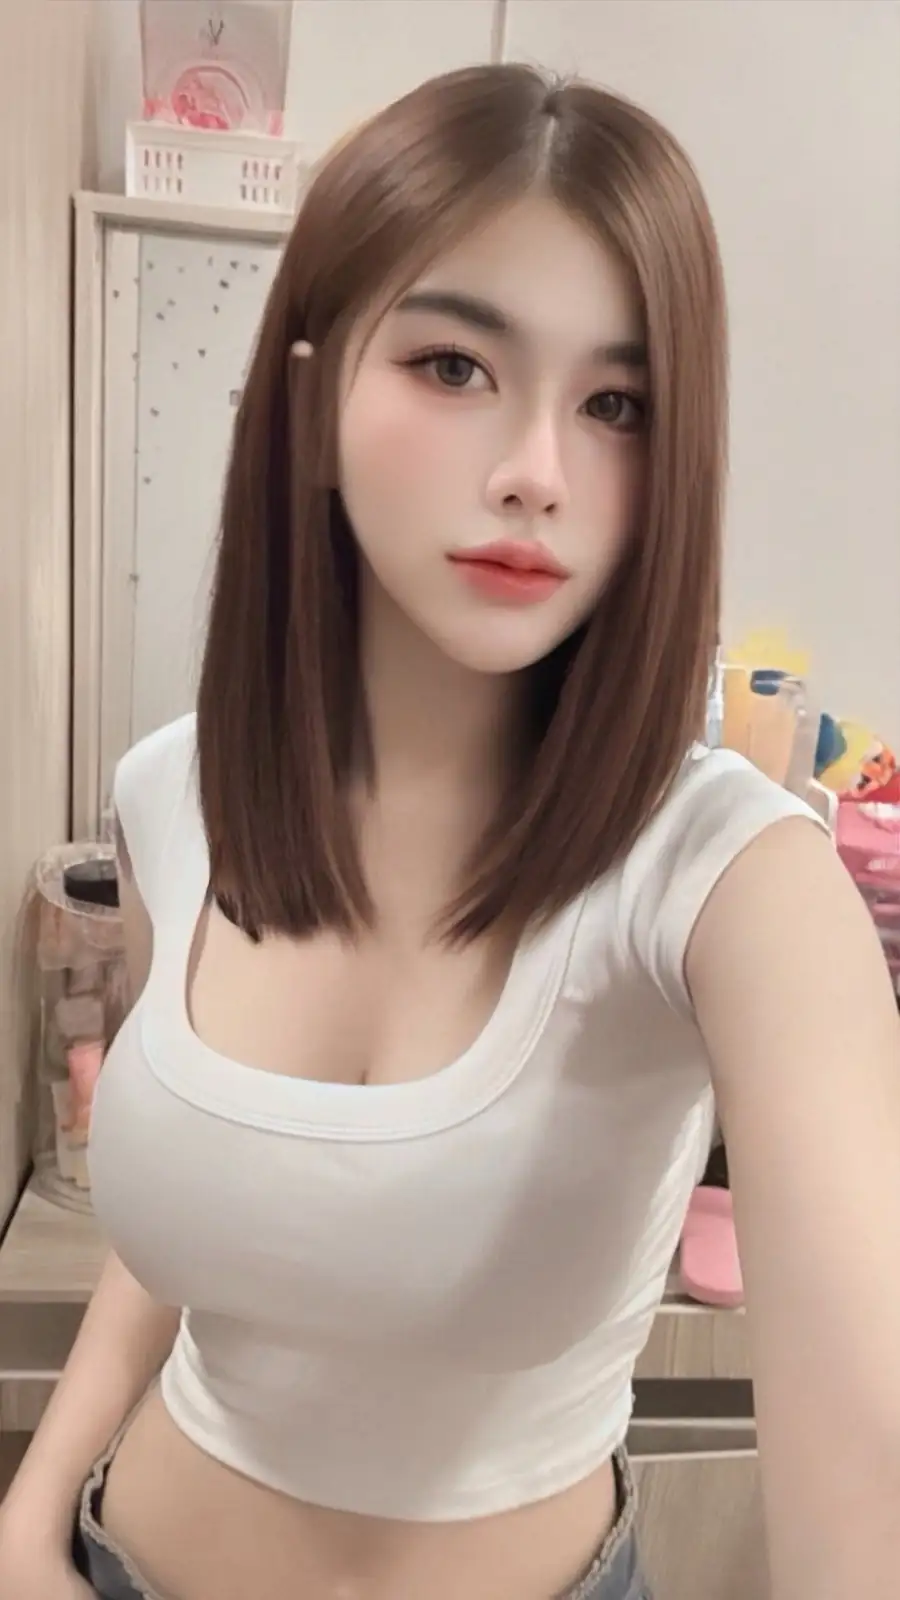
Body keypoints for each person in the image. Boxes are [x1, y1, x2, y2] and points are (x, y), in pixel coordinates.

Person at [1, 60, 899, 1600]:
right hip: (119, 1560)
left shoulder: (736, 883)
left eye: (616, 406)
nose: (536, 471)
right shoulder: (175, 796)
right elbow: (201, 1208)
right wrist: (28, 1515)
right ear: (309, 406)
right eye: (453, 365)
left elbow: (868, 1469)